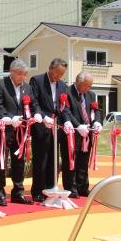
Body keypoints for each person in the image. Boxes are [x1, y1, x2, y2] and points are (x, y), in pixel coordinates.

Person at [0, 58, 42, 206]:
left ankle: (18, 192)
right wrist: (9, 118)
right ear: (12, 72)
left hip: (22, 131)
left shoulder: (27, 87)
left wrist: (37, 113)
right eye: (20, 74)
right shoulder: (0, 85)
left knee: (19, 162)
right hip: (4, 130)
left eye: (25, 74)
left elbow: (34, 103)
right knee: (1, 161)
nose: (23, 77)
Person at [29, 58, 72, 202]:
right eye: (57, 73)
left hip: (56, 127)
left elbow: (64, 106)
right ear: (50, 68)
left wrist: (66, 121)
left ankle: (51, 187)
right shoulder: (37, 80)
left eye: (62, 74)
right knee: (41, 159)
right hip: (42, 125)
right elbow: (34, 101)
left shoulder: (62, 85)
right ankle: (38, 191)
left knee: (54, 159)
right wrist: (41, 116)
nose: (58, 76)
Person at [66, 72, 102, 197]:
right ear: (79, 83)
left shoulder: (91, 95)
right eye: (87, 85)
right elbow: (66, 112)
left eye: (90, 85)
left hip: (87, 134)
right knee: (72, 161)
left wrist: (97, 121)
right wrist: (77, 125)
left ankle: (83, 187)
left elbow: (96, 110)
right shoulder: (67, 92)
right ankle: (71, 188)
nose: (89, 88)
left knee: (83, 161)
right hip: (73, 133)